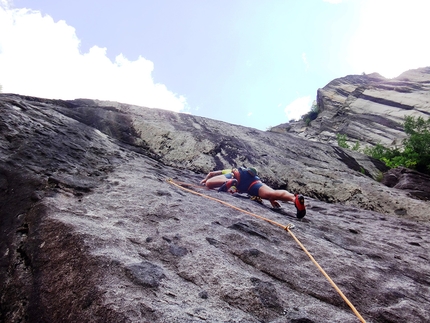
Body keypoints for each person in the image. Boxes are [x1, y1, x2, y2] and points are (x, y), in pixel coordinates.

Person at [200, 167, 306, 218]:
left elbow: (211, 173)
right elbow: (270, 195)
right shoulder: (251, 176)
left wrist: (206, 180)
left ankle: (229, 182)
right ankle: (294, 198)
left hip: (236, 175)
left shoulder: (229, 171)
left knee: (209, 184)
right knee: (271, 193)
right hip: (253, 181)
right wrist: (271, 199)